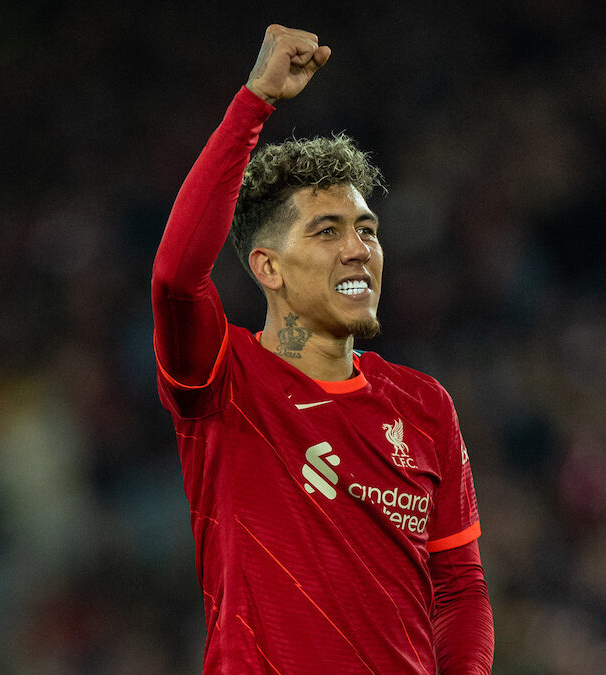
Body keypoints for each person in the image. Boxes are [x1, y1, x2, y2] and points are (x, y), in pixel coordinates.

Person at [152, 24, 495, 674]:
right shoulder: (224, 380)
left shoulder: (425, 406)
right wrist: (254, 101)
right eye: (328, 230)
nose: (359, 247)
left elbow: (459, 588)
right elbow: (175, 275)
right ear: (269, 268)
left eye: (367, 229)